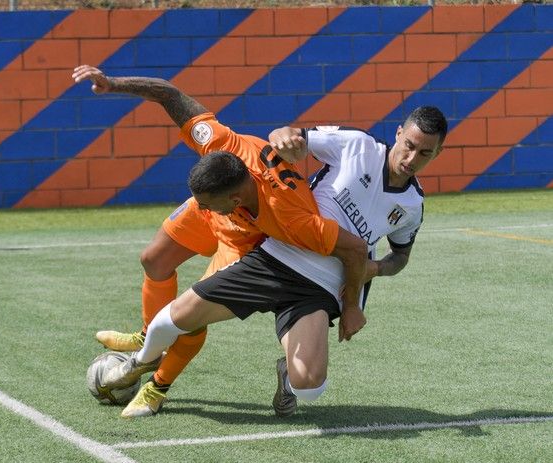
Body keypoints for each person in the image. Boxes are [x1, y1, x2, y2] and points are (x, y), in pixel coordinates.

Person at [103, 106, 448, 418]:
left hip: (321, 288)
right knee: (171, 322)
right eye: (409, 145)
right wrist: (282, 135)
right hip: (276, 255)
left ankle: (287, 372)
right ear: (399, 133)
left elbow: (399, 256)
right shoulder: (357, 146)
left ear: (438, 153)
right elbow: (292, 139)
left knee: (310, 387)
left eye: (425, 153)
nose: (412, 157)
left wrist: (375, 274)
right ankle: (136, 366)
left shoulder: (412, 207)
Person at [71, 65, 369, 415]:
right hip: (217, 207)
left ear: (234, 202)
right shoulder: (220, 143)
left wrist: (352, 304)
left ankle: (158, 386)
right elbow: (169, 93)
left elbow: (353, 250)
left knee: (191, 315)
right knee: (153, 259)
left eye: (204, 201)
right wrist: (113, 83)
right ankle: (148, 336)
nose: (197, 205)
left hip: (243, 241)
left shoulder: (292, 219)